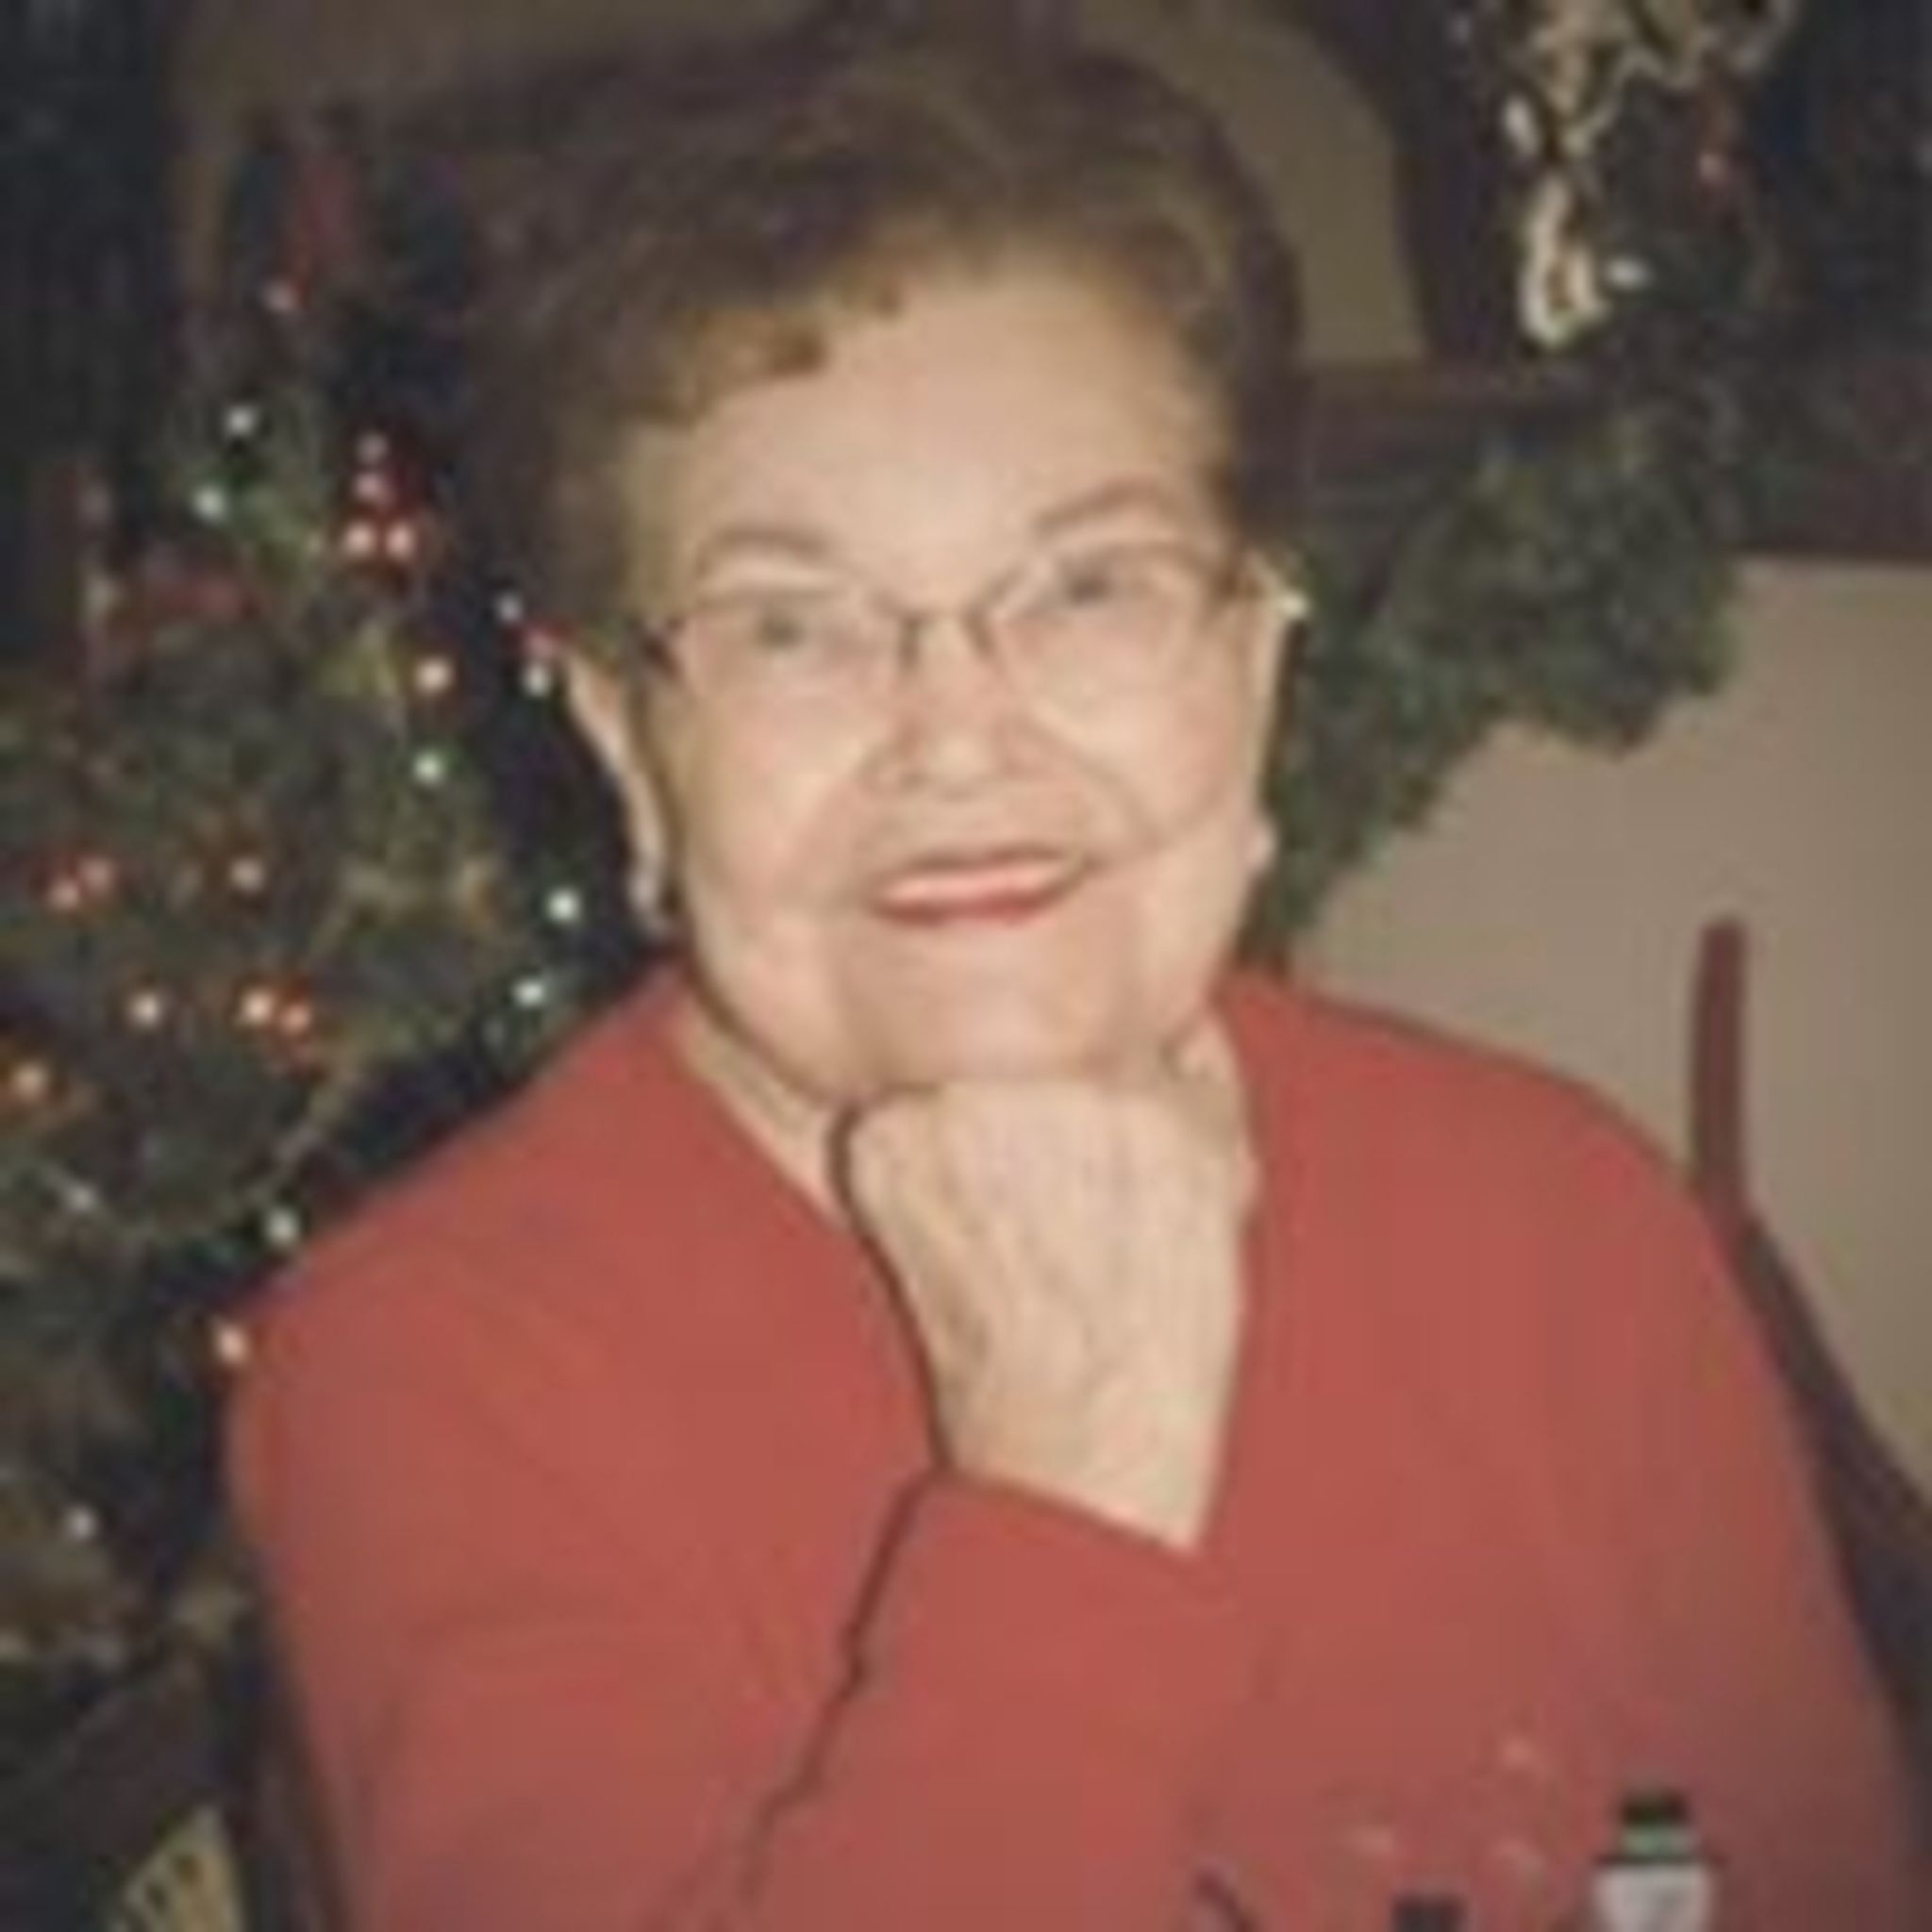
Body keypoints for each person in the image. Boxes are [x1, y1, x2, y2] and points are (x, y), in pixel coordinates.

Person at [229, 22, 1924, 1930]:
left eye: (1092, 584)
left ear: (1254, 659)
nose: (958, 737)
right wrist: (1066, 1499)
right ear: (628, 736)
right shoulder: (428, 1366)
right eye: (792, 625)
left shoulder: (1571, 1224)